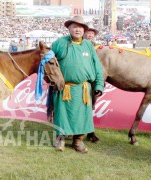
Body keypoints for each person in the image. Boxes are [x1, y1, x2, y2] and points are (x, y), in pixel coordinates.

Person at [50, 15, 104, 153]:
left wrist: (99, 85)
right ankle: (60, 140)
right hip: (64, 88)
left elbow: (97, 67)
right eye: (74, 26)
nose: (77, 29)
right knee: (62, 115)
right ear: (69, 28)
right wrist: (52, 80)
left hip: (83, 89)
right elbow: (48, 62)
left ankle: (77, 141)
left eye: (80, 27)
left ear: (84, 30)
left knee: (82, 117)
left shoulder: (89, 46)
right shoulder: (59, 43)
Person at [83, 24, 101, 144]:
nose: (90, 34)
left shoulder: (99, 48)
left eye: (92, 33)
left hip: (91, 83)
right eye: (88, 32)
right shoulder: (78, 45)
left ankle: (89, 132)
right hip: (78, 82)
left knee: (90, 108)